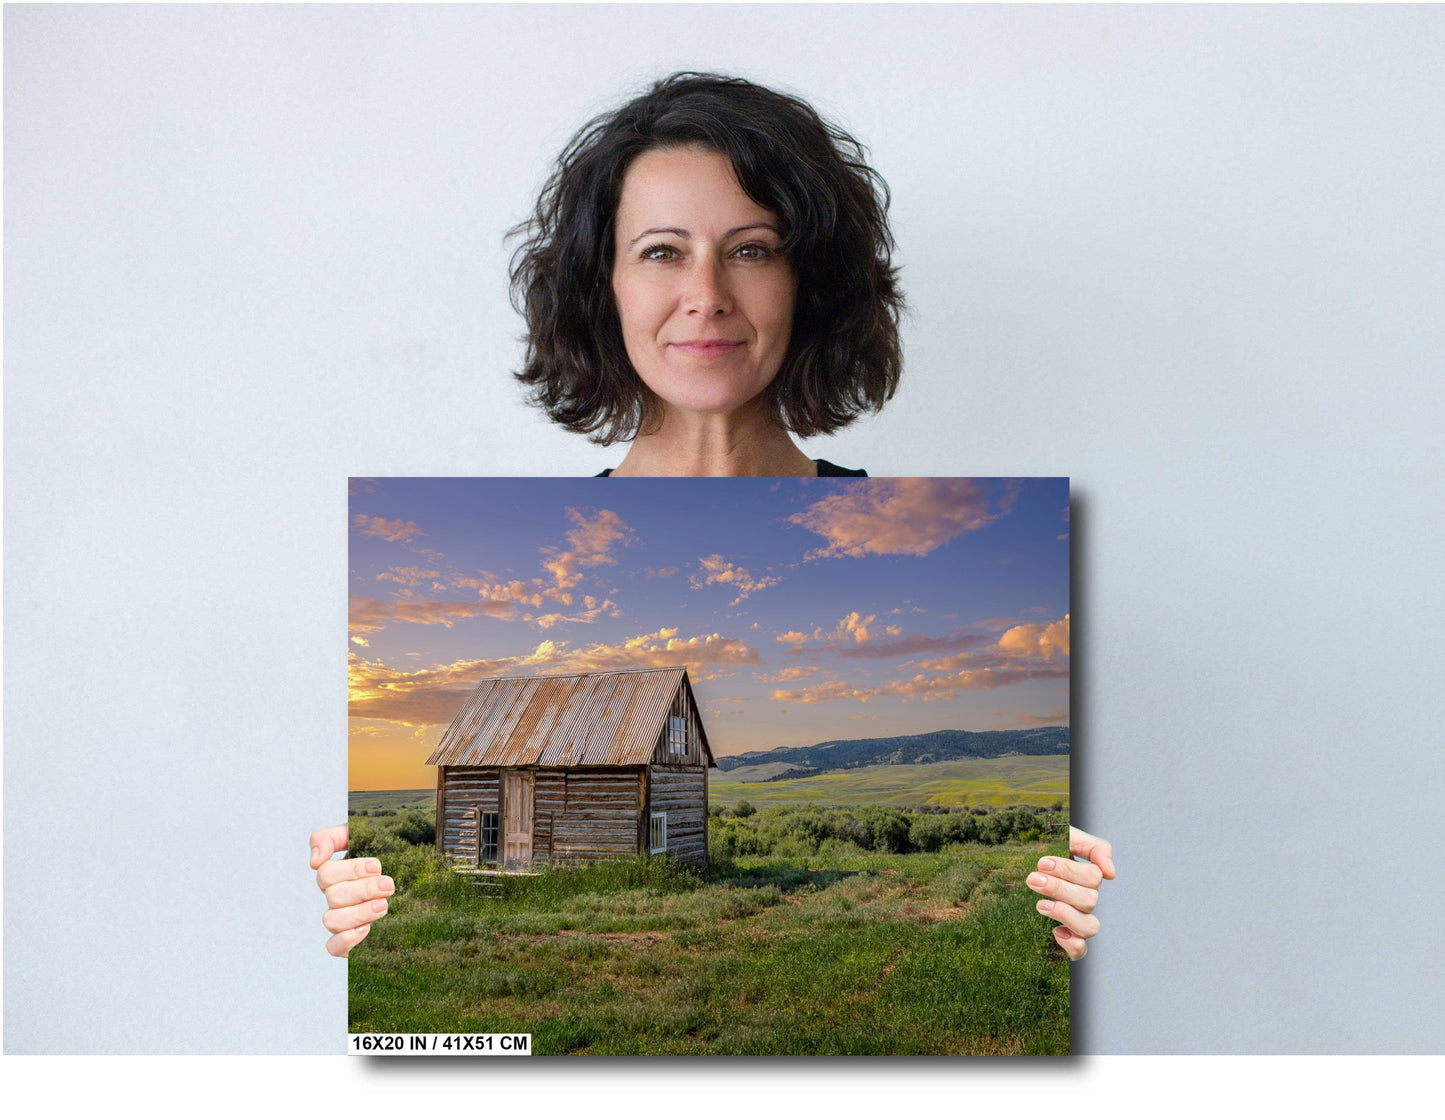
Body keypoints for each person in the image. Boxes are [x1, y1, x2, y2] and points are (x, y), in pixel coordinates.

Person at [315, 72, 1115, 959]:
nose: (707, 294)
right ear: (603, 285)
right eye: (661, 251)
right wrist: (361, 926)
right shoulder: (522, 541)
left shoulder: (949, 535)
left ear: (809, 283)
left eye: (752, 249)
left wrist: (1063, 920)